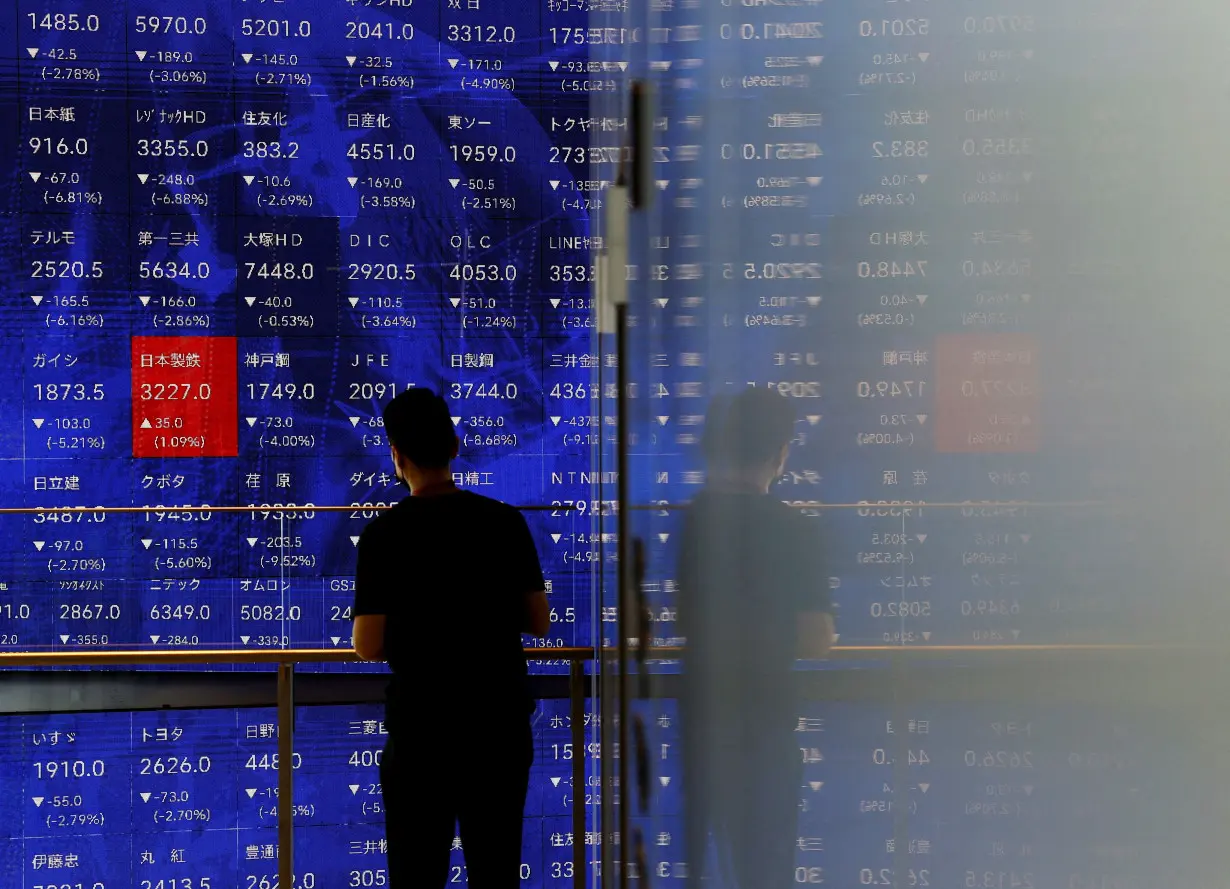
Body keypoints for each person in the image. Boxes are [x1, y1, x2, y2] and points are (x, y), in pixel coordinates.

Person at [351, 388, 551, 889]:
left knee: (417, 875)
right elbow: (539, 621)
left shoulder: (383, 535)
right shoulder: (505, 522)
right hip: (498, 728)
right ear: (454, 446)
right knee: (496, 870)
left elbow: (367, 643)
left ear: (397, 455)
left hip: (422, 732)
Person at [676, 387, 836, 889]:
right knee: (765, 870)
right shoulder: (797, 531)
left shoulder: (696, 520)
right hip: (765, 722)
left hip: (701, 719)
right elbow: (816, 640)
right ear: (780, 453)